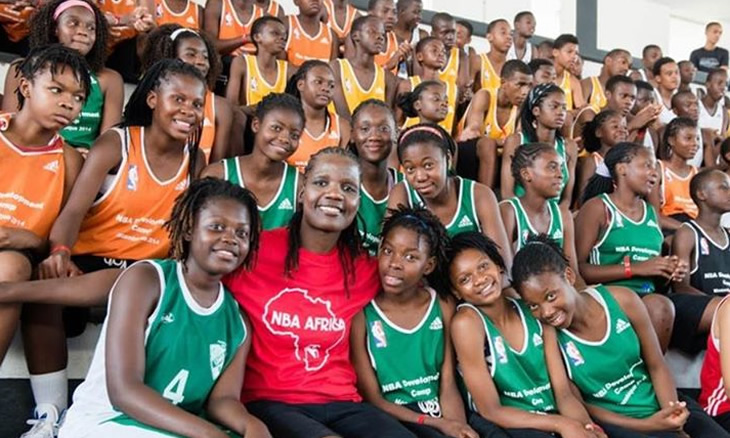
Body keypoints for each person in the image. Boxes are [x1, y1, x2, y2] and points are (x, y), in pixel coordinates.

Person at [18, 59, 208, 435]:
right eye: (178, 99)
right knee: (45, 292)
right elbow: (73, 212)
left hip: (146, 274)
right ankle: (49, 414)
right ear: (152, 99)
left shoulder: (195, 160)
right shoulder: (117, 143)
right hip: (89, 261)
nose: (189, 110)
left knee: (132, 286)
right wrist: (60, 252)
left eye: (197, 103)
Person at [223, 146, 419, 438]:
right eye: (321, 182)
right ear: (302, 193)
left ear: (358, 202)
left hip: (343, 402)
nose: (335, 194)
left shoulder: (367, 269)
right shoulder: (252, 253)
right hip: (270, 402)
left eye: (348, 188)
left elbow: (422, 291)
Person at [59, 178, 271, 438]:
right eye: (216, 227)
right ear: (189, 229)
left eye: (242, 233)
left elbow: (222, 400)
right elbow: (124, 391)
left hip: (181, 427)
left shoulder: (237, 322)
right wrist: (209, 435)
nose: (230, 238)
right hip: (110, 421)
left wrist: (252, 426)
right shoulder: (147, 280)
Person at [512, 235, 730, 438]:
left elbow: (656, 365)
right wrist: (648, 425)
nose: (546, 312)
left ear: (569, 276)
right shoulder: (549, 335)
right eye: (533, 306)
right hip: (620, 423)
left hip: (662, 401)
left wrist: (673, 416)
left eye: (551, 296)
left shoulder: (622, 300)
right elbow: (572, 400)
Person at [450, 232, 605, 438]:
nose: (479, 280)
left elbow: (563, 393)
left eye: (483, 266)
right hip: (509, 424)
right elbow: (491, 410)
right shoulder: (467, 323)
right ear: (456, 291)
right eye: (465, 279)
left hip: (552, 416)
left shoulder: (534, 308)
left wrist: (586, 427)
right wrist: (562, 425)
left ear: (499, 265)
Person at [351, 206, 478, 438]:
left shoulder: (442, 305)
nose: (395, 263)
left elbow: (447, 385)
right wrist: (434, 423)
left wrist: (456, 427)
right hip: (393, 422)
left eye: (410, 257)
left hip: (441, 415)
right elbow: (374, 400)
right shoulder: (362, 316)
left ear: (428, 265)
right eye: (388, 251)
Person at [0, 45, 87, 379]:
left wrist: (28, 239)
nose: (68, 103)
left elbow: (58, 237)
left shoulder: (69, 160)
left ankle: (51, 405)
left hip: (20, 259)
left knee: (12, 267)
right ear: (25, 87)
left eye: (78, 97)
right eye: (56, 90)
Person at [576, 142, 683, 352]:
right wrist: (635, 268)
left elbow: (654, 276)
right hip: (607, 294)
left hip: (647, 296)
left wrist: (668, 269)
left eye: (655, 168)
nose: (654, 173)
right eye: (647, 165)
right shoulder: (597, 208)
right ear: (622, 169)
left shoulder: (651, 214)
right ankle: (652, 369)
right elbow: (578, 269)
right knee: (660, 306)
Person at [386, 123, 513, 269]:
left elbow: (503, 264)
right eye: (410, 169)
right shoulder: (402, 193)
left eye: (428, 165)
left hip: (472, 279)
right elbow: (389, 256)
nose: (420, 177)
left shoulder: (479, 195)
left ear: (448, 159)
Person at [2, 0, 124, 151]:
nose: (83, 31)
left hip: (86, 159)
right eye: (73, 23)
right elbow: (11, 129)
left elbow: (108, 141)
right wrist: (65, 153)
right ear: (55, 28)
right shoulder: (24, 69)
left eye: (91, 28)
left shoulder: (110, 79)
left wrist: (91, 158)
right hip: (35, 153)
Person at [202, 93, 303, 230]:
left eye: (294, 135)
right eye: (276, 128)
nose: (285, 139)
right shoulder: (218, 174)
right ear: (256, 125)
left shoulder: (299, 185)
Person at [143, 24, 234, 164]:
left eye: (205, 57)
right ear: (171, 56)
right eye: (191, 54)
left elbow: (215, 166)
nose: (201, 62)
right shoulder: (155, 98)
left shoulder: (221, 107)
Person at [671, 169, 730, 357]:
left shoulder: (728, 235)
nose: (729, 192)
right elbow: (681, 287)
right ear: (701, 194)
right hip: (698, 311)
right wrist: (719, 305)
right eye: (724, 187)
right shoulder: (688, 232)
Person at [500, 143, 577, 269]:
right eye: (552, 167)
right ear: (526, 174)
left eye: (562, 168)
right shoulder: (509, 211)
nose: (560, 175)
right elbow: (505, 270)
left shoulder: (563, 215)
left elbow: (573, 271)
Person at [501, 83, 577, 210]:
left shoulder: (569, 147)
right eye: (554, 106)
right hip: (520, 211)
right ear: (536, 111)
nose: (561, 112)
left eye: (564, 108)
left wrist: (556, 215)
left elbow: (566, 199)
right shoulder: (516, 141)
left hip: (554, 212)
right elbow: (507, 194)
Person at [457, 59, 532, 187]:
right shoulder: (485, 96)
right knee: (488, 144)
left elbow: (518, 142)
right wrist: (503, 142)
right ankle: (485, 194)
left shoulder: (521, 108)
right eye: (520, 85)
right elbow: (473, 132)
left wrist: (505, 143)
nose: (525, 91)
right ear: (503, 83)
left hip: (497, 160)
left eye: (529, 86)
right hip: (467, 156)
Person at [350, 99, 402, 255]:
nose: (374, 136)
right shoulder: (341, 184)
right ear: (352, 134)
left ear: (396, 133)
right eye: (365, 129)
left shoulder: (407, 187)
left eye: (384, 128)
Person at [286, 60, 351, 170]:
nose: (326, 88)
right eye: (318, 82)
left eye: (331, 85)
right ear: (301, 85)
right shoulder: (285, 122)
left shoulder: (342, 127)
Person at [331, 15, 398, 118]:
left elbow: (385, 117)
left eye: (382, 34)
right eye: (372, 32)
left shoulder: (388, 78)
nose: (380, 37)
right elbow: (342, 114)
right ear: (356, 36)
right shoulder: (336, 68)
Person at [226, 16, 291, 108]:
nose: (282, 38)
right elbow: (231, 104)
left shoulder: (288, 69)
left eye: (284, 36)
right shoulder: (242, 63)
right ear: (257, 37)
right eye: (275, 33)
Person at [650, 117, 699, 232]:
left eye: (697, 139)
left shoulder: (697, 174)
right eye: (688, 138)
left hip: (694, 226)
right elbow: (654, 215)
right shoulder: (658, 169)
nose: (695, 144)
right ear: (671, 140)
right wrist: (689, 230)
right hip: (670, 227)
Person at [395, 37, 455, 132]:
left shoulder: (453, 89)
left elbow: (454, 126)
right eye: (434, 50)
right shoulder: (408, 85)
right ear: (420, 56)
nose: (441, 54)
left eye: (443, 52)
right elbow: (398, 121)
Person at [577, 110, 628, 204]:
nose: (622, 131)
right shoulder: (592, 161)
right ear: (599, 132)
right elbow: (582, 196)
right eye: (615, 126)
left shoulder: (626, 161)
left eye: (625, 127)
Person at [284, 0, 337, 67]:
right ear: (296, 1)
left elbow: (332, 70)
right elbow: (280, 67)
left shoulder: (331, 35)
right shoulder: (286, 25)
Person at [581, 49, 632, 114]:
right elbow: (580, 112)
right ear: (608, 61)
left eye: (629, 66)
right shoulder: (589, 83)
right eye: (623, 62)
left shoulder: (622, 92)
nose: (626, 68)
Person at [475, 18, 512, 94]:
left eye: (511, 34)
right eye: (503, 33)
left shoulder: (512, 67)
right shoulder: (478, 61)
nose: (509, 37)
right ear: (489, 37)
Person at [369, 0, 406, 74]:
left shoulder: (399, 43)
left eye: (394, 12)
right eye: (385, 11)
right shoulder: (360, 40)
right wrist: (388, 66)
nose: (391, 16)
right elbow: (358, 76)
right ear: (370, 14)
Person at [552, 33, 585, 111]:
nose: (574, 57)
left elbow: (581, 110)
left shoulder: (573, 81)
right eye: (569, 52)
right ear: (555, 52)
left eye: (576, 53)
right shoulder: (543, 75)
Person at [699, 69, 729, 148]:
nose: (723, 88)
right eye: (719, 83)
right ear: (708, 85)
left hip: (714, 153)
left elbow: (722, 140)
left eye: (726, 84)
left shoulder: (724, 111)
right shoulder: (696, 106)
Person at [630, 80, 662, 150]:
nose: (649, 105)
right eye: (644, 100)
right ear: (631, 100)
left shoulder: (652, 133)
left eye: (651, 101)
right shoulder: (622, 128)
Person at [653, 57, 680, 126]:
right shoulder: (652, 97)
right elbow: (656, 127)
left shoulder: (681, 97)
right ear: (658, 78)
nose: (675, 77)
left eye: (677, 73)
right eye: (669, 74)